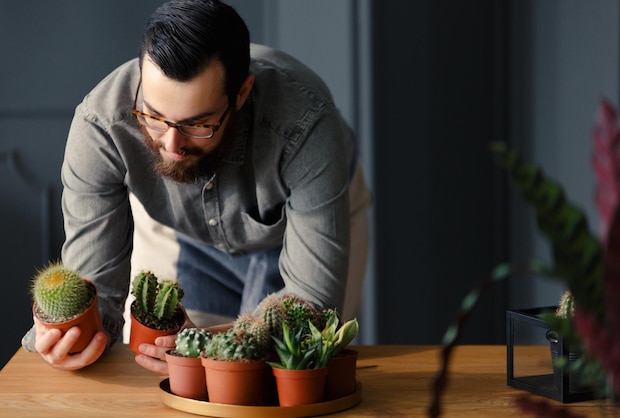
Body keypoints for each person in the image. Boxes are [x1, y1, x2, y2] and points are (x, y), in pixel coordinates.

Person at [22, 0, 371, 374]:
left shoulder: (306, 124)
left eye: (198, 124)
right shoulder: (101, 125)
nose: (171, 145)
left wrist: (210, 345)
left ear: (241, 93)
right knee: (176, 374)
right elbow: (98, 296)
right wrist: (71, 339)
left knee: (285, 371)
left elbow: (311, 300)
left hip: (302, 230)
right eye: (154, 117)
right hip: (183, 232)